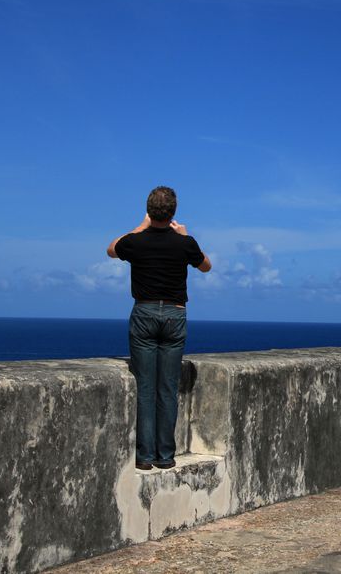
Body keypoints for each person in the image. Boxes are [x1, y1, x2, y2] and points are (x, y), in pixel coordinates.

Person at [107, 186, 212, 470]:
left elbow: (111, 250)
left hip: (144, 311)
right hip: (175, 314)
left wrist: (140, 227)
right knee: (167, 387)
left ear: (149, 211)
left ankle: (144, 456)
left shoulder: (136, 241)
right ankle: (166, 455)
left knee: (145, 386)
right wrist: (185, 236)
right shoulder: (184, 243)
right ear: (173, 212)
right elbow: (206, 267)